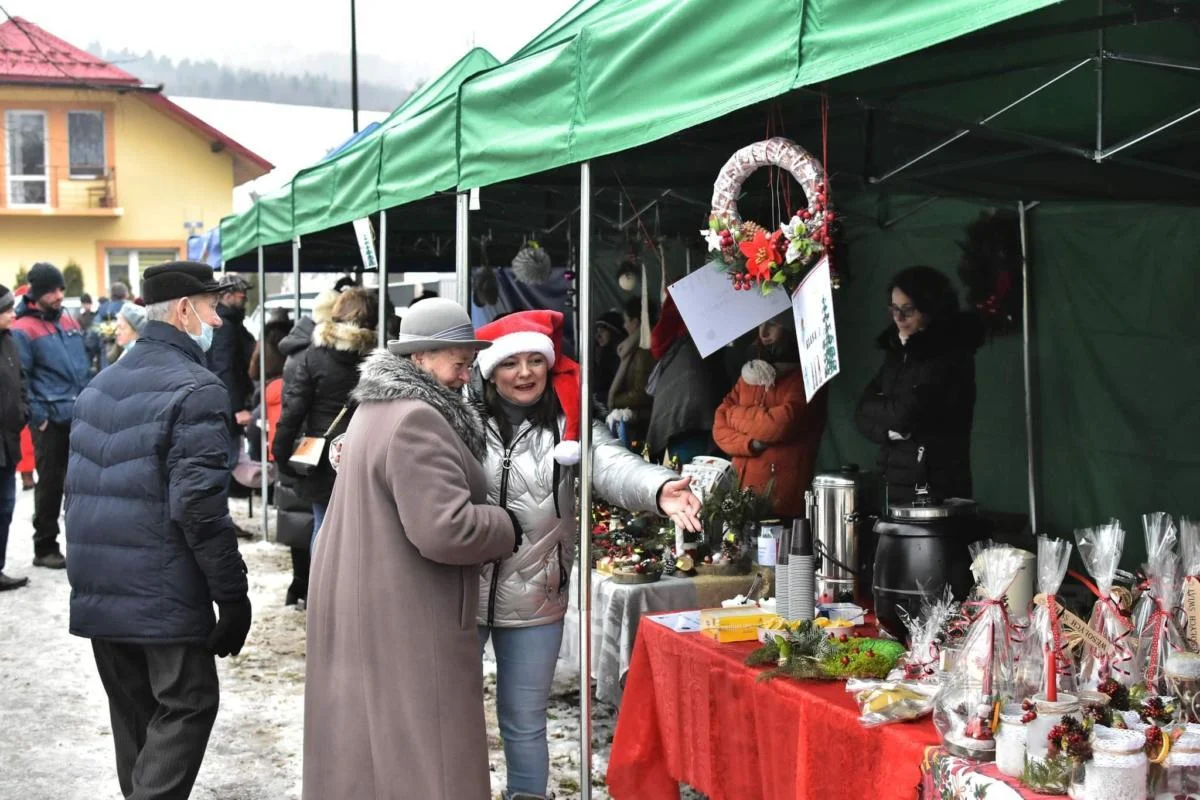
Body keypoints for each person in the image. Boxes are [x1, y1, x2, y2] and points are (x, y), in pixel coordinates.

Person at [473, 310, 703, 800]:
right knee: (449, 713)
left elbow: (612, 465)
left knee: (524, 717)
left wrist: (659, 488)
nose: (525, 373)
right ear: (491, 370)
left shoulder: (568, 425)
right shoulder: (462, 420)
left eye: (536, 360)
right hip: (457, 595)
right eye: (512, 363)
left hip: (537, 594)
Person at [303, 298, 520, 800]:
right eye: (457, 361)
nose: (467, 374)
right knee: (427, 756)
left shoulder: (374, 409)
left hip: (372, 600)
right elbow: (445, 530)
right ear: (419, 358)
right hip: (408, 611)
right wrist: (505, 524)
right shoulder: (417, 419)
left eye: (470, 362)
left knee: (371, 751)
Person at [65, 260, 251, 800]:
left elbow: (74, 497)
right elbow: (199, 508)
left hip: (105, 584)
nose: (218, 321)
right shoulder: (198, 388)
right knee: (188, 704)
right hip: (160, 588)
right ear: (186, 309)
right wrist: (232, 597)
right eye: (213, 308)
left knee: (139, 725)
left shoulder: (101, 384)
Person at [855, 266, 984, 504]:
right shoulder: (896, 351)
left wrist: (886, 416)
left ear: (931, 308)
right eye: (894, 309)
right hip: (893, 476)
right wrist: (888, 432)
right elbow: (861, 411)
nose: (898, 318)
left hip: (935, 483)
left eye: (908, 310)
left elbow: (906, 414)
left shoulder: (950, 354)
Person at [272, 288, 377, 549]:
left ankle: (319, 587)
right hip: (366, 454)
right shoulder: (377, 360)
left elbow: (293, 411)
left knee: (322, 523)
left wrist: (282, 455)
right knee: (363, 532)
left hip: (321, 457)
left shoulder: (314, 357)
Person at [11, 263, 90, 569]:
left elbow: (81, 364)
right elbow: (23, 378)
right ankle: (45, 546)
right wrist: (40, 416)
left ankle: (82, 542)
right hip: (50, 421)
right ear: (37, 293)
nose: (59, 296)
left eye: (61, 290)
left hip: (79, 415)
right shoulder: (22, 329)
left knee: (82, 484)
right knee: (51, 486)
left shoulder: (67, 321)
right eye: (53, 291)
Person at [713, 314, 828, 518]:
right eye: (760, 324)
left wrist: (733, 415)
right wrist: (750, 443)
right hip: (740, 494)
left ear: (792, 330)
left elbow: (779, 426)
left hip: (780, 498)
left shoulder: (807, 377)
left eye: (773, 324)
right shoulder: (749, 376)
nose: (763, 333)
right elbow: (719, 429)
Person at [645, 292, 719, 465]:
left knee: (684, 473)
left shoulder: (678, 345)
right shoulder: (695, 344)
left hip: (683, 422)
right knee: (692, 475)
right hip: (694, 423)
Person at [0, 285, 30, 590]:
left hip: (8, 443)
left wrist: (24, 411)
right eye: (7, 309)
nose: (13, 313)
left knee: (6, 507)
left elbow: (21, 381)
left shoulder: (10, 342)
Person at [606, 296, 658, 449]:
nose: (624, 325)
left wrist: (615, 401)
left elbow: (642, 393)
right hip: (640, 420)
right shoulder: (637, 347)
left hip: (642, 423)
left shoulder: (643, 350)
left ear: (635, 322)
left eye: (625, 321)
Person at [592, 309, 623, 405]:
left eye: (603, 331)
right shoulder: (598, 355)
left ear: (614, 332)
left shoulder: (620, 357)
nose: (598, 336)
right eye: (597, 331)